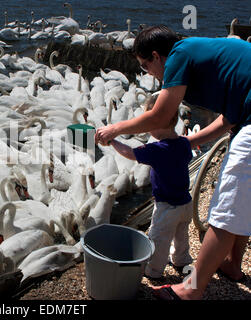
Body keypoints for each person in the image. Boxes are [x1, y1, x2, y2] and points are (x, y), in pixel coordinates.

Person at [95, 25, 251, 300]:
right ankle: (233, 266)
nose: (150, 75)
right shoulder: (205, 54)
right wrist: (186, 144)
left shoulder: (179, 54)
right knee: (242, 200)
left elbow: (159, 116)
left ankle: (192, 290)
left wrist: (115, 130)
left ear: (156, 56)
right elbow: (229, 119)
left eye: (146, 66)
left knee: (226, 207)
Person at [109, 94, 193, 279]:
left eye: (148, 123)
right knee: (181, 234)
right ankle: (181, 259)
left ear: (157, 123)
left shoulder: (158, 150)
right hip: (186, 203)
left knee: (159, 238)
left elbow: (129, 153)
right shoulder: (184, 144)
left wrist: (112, 140)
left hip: (167, 207)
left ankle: (154, 270)